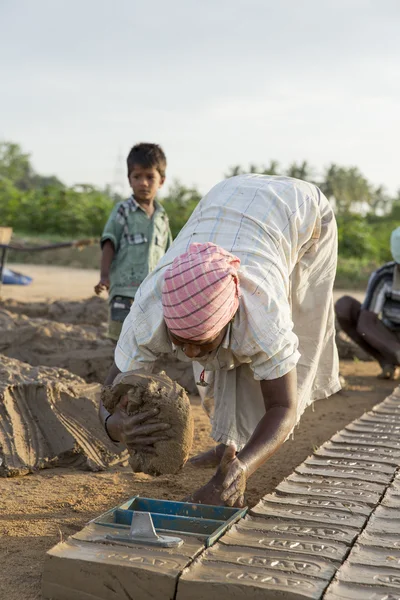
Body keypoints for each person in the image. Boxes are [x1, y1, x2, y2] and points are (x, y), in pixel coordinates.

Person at [100, 174, 340, 507]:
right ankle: (228, 444)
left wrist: (245, 467)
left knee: (275, 346)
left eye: (200, 342)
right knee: (220, 360)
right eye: (180, 341)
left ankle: (235, 457)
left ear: (230, 318)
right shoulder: (149, 309)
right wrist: (118, 426)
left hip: (302, 214)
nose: (189, 352)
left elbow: (283, 406)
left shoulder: (264, 313)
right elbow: (109, 391)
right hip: (226, 197)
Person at [95, 142, 172, 341]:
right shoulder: (123, 210)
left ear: (161, 181)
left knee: (145, 339)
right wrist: (104, 276)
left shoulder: (162, 218)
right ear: (129, 180)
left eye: (149, 177)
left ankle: (134, 372)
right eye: (137, 177)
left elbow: (169, 253)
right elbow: (109, 241)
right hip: (123, 289)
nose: (143, 183)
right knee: (120, 338)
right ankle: (118, 372)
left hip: (151, 293)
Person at [335, 226, 400, 380]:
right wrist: (397, 351)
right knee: (345, 307)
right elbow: (366, 323)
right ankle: (387, 361)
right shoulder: (384, 276)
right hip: (391, 338)